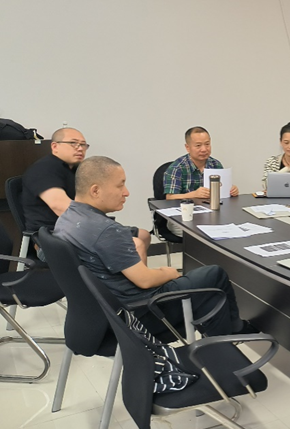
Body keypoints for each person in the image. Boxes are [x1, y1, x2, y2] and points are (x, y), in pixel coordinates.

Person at [55, 156, 254, 337]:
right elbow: (145, 280)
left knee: (204, 294)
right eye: (120, 185)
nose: (126, 192)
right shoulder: (105, 230)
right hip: (140, 313)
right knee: (214, 275)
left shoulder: (66, 219)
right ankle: (227, 340)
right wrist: (169, 273)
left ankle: (219, 337)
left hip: (100, 313)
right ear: (95, 190)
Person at [20, 127, 150, 257]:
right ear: (55, 146)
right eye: (73, 143)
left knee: (144, 235)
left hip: (79, 228)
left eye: (83, 145)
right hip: (53, 237)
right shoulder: (44, 169)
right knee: (135, 243)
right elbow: (61, 207)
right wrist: (104, 227)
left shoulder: (76, 170)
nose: (80, 148)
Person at [164, 126, 239, 200]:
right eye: (198, 145)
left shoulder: (215, 164)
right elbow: (170, 197)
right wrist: (193, 195)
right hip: (187, 207)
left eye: (207, 144)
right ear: (187, 147)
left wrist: (231, 190)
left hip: (212, 206)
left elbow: (221, 189)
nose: (204, 149)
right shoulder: (177, 168)